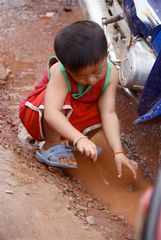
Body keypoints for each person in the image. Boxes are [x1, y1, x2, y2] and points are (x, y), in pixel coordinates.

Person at [19, 20, 138, 179]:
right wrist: (80, 138)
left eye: (97, 71)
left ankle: (68, 143)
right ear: (66, 66)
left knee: (102, 110)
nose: (91, 80)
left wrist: (118, 152)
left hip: (68, 118)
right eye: (80, 76)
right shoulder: (61, 73)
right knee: (62, 100)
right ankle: (50, 146)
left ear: (107, 49)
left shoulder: (111, 74)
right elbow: (51, 112)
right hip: (36, 114)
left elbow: (108, 114)